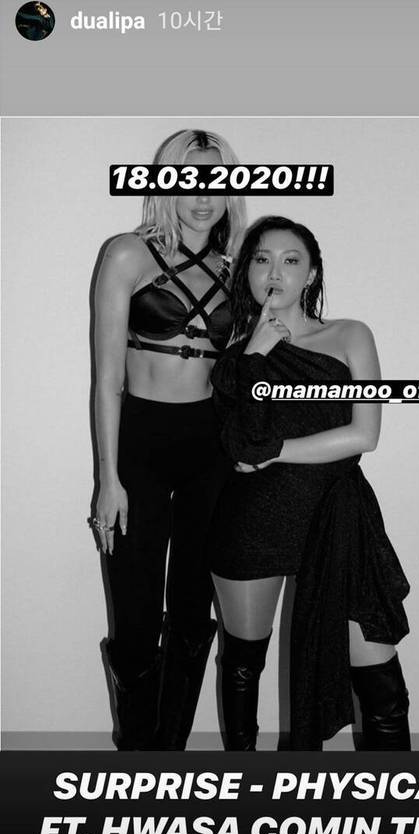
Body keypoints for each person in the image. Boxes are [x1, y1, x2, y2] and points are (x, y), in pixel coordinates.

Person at [209, 216, 411, 751]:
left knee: (383, 689)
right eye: (261, 259)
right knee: (243, 664)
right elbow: (242, 443)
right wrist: (255, 356)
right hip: (253, 522)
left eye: (290, 260)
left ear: (311, 273)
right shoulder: (234, 360)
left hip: (336, 517)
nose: (274, 271)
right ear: (247, 272)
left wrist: (275, 452)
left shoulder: (349, 335)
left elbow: (365, 434)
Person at [92, 129, 246, 750]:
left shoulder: (237, 268)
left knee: (190, 613)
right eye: (189, 181)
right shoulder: (127, 254)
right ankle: (137, 758)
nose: (203, 197)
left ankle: (169, 758)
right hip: (141, 447)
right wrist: (108, 479)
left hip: (210, 451)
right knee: (134, 619)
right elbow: (107, 380)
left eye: (217, 182)